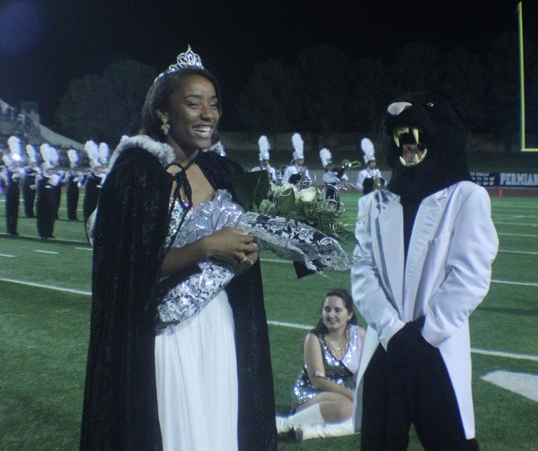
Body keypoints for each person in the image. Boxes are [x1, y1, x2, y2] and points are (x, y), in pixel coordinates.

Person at [80, 46, 276, 451]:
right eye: (193, 103)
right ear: (163, 113)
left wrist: (245, 254)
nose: (208, 114)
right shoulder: (135, 175)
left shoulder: (224, 172)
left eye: (214, 104)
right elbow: (123, 273)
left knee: (218, 429)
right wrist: (205, 248)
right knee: (174, 433)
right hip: (164, 334)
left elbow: (242, 246)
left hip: (220, 326)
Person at [351, 93, 499, 450]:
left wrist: (423, 335)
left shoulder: (466, 196)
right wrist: (393, 330)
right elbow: (362, 271)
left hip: (436, 348)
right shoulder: (373, 203)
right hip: (386, 349)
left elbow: (470, 275)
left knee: (450, 443)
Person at [276, 289, 364, 441]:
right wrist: (352, 395)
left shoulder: (359, 334)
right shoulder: (314, 338)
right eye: (327, 309)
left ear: (349, 314)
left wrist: (363, 396)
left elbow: (362, 372)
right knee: (347, 409)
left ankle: (310, 432)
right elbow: (318, 381)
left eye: (337, 310)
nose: (331, 315)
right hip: (310, 393)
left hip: (342, 394)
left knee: (370, 414)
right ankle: (285, 424)